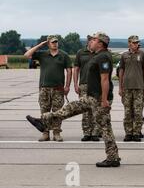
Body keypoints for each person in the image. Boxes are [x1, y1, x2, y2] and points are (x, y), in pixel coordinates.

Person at [26, 32, 121, 168]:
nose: (90, 42)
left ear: (100, 43)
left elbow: (105, 79)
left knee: (105, 128)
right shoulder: (97, 55)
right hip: (91, 97)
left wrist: (105, 100)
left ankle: (113, 158)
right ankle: (43, 120)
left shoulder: (103, 57)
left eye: (94, 40)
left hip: (99, 99)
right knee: (70, 109)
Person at [24, 35, 72, 142]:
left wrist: (67, 86)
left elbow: (69, 70)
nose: (55, 44)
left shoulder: (63, 55)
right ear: (48, 44)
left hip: (58, 88)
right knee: (44, 111)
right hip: (44, 88)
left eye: (56, 42)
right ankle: (45, 133)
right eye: (53, 42)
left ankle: (56, 133)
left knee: (57, 112)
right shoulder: (42, 54)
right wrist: (40, 45)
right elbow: (26, 55)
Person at [119, 36, 144, 142]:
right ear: (129, 43)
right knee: (128, 112)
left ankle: (136, 133)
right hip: (127, 88)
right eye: (134, 43)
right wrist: (120, 87)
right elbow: (121, 71)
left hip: (139, 87)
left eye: (137, 43)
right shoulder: (124, 55)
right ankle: (128, 133)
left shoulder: (142, 54)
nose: (136, 44)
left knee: (138, 112)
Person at [74, 35, 100, 142]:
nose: (93, 42)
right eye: (92, 40)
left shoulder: (99, 53)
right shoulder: (81, 52)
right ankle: (86, 133)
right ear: (88, 41)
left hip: (96, 85)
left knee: (95, 109)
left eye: (95, 40)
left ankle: (95, 133)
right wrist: (75, 84)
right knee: (85, 109)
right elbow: (76, 69)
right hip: (84, 84)